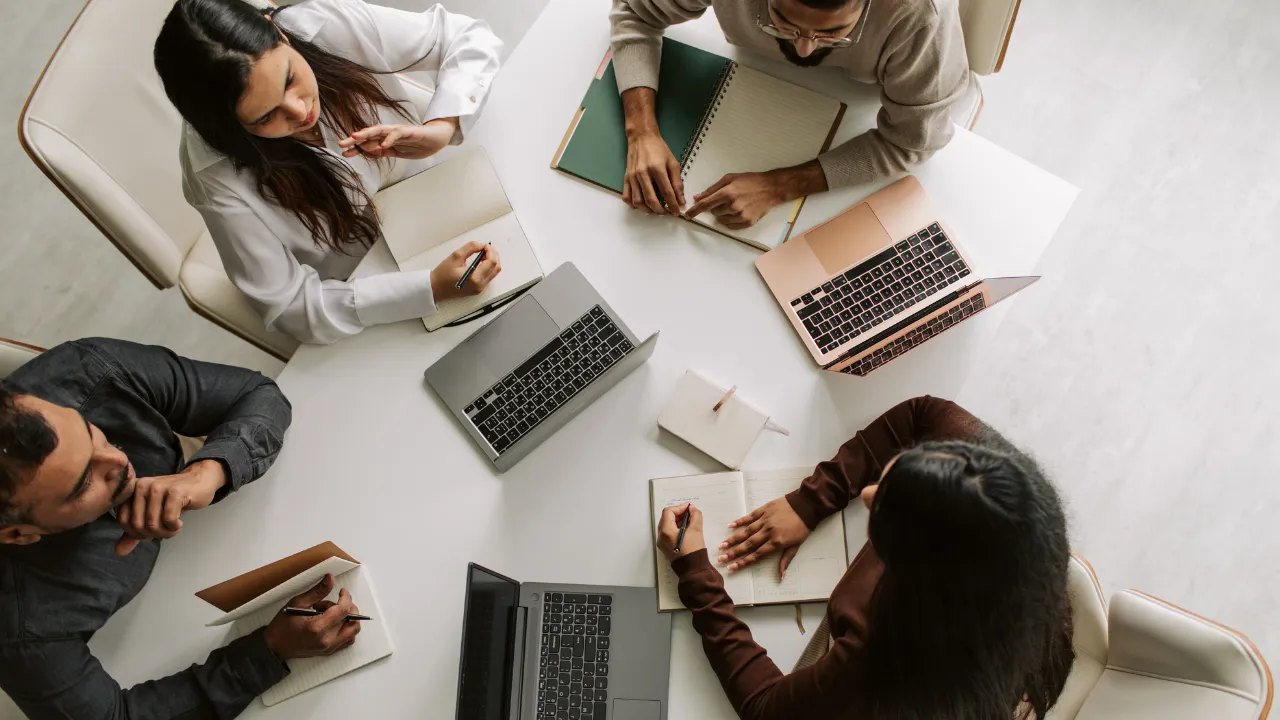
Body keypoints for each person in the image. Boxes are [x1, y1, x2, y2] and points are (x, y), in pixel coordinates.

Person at [655, 395, 1075, 719]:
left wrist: (694, 573)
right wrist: (813, 500)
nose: (869, 494)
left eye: (885, 507)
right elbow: (921, 414)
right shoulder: (996, 494)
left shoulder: (883, 658)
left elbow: (765, 709)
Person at [0, 338, 354, 719]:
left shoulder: (86, 372)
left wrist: (208, 472)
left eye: (91, 432)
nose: (119, 460)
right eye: (85, 481)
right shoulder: (19, 631)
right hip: (149, 635)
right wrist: (268, 652)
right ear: (19, 534)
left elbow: (258, 394)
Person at [155, 0, 506, 344]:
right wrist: (428, 288)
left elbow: (464, 36)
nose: (300, 111)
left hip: (452, 194)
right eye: (266, 116)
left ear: (280, 33)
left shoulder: (318, 25)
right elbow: (289, 306)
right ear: (230, 127)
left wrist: (442, 127)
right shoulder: (214, 177)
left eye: (289, 79)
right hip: (374, 276)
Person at [611, 0, 973, 229]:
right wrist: (641, 130)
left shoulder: (923, 16)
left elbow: (912, 142)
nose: (803, 50)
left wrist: (779, 186)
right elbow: (634, 11)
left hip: (857, 109)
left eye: (832, 33)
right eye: (782, 22)